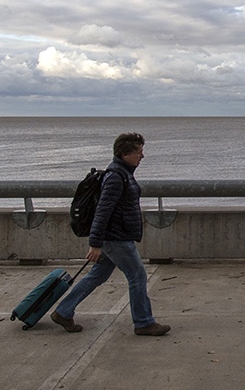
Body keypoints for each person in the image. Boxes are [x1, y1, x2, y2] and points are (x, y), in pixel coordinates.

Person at [51, 132, 170, 336]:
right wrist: (95, 243)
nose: (142, 156)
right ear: (124, 154)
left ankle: (63, 311)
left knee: (97, 275)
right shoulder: (116, 177)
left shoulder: (123, 172)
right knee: (137, 275)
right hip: (116, 238)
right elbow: (102, 211)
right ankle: (143, 322)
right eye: (138, 152)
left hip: (114, 236)